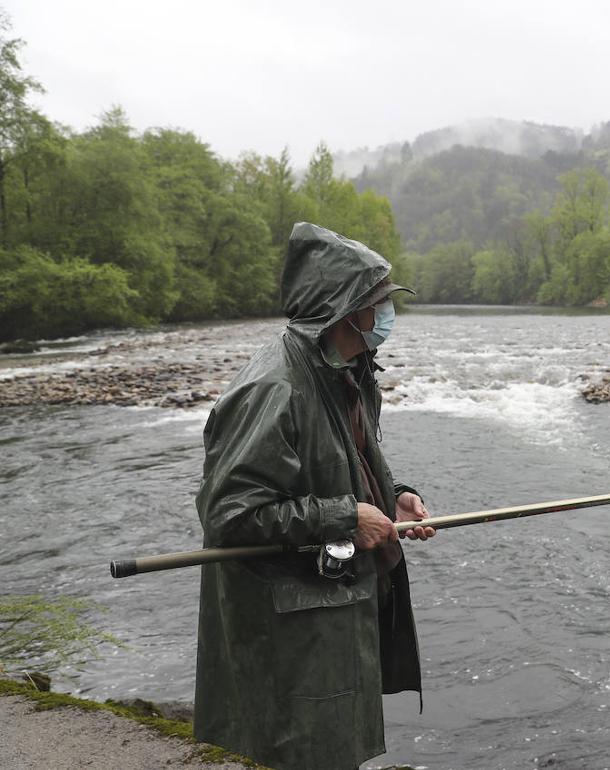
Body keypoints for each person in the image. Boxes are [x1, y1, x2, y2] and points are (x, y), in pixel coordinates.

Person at [193, 222, 435, 769]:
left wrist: (393, 497)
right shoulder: (273, 388)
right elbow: (230, 515)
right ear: (348, 311)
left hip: (328, 609)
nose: (386, 316)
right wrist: (346, 517)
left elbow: (338, 468)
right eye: (378, 303)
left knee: (332, 744)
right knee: (294, 749)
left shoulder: (345, 370)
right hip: (286, 629)